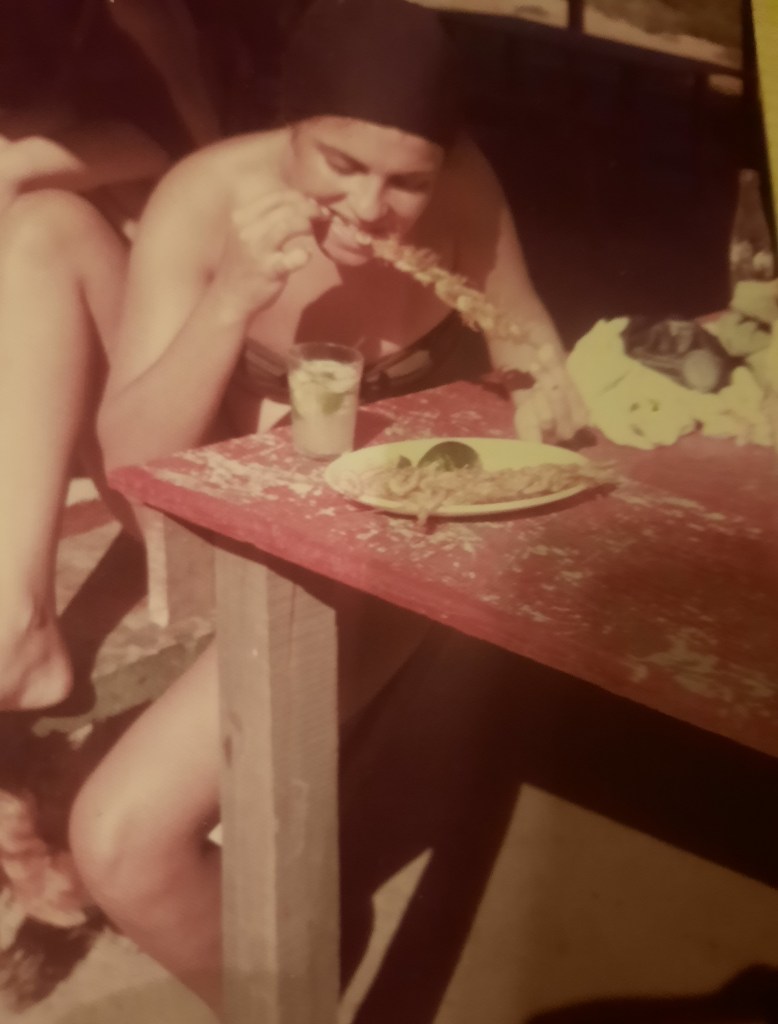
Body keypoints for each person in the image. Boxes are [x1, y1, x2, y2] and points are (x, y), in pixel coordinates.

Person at [68, 0, 588, 1013]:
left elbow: (525, 340)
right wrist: (231, 296)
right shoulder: (205, 196)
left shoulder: (466, 185)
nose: (372, 206)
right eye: (339, 165)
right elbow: (132, 459)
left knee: (122, 837)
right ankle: (309, 966)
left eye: (406, 181)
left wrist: (545, 388)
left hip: (393, 543)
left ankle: (304, 967)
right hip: (247, 535)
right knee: (120, 845)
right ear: (288, 128)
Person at [0, 0, 221, 714]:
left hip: (197, 475)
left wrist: (171, 53)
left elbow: (228, 184)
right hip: (127, 452)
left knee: (44, 227)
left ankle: (18, 629)